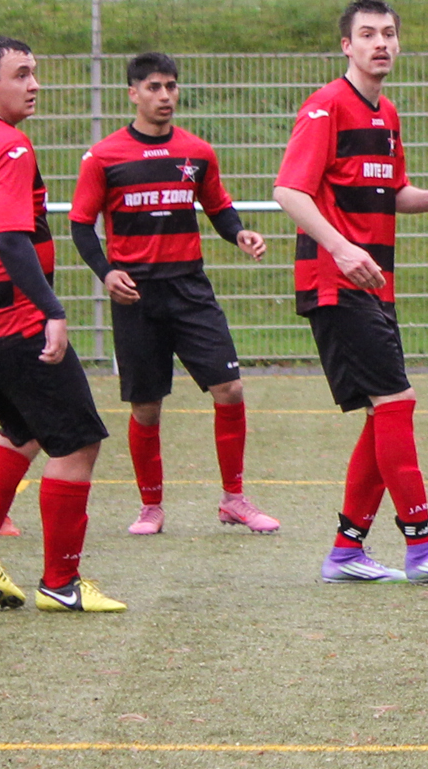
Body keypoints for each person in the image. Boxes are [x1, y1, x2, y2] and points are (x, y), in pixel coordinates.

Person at [275, 0, 428, 586]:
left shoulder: (386, 113)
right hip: (334, 281)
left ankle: (346, 551)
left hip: (373, 283)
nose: (381, 43)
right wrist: (342, 250)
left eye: (389, 33)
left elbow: (392, 191)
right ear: (346, 45)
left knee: (383, 415)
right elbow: (289, 191)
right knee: (397, 402)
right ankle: (422, 545)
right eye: (368, 34)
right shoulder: (325, 107)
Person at [0, 36, 124, 613]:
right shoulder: (8, 146)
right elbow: (11, 240)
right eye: (21, 74)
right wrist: (51, 311)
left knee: (19, 429)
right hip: (12, 319)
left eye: (34, 72)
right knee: (78, 441)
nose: (34, 84)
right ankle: (62, 582)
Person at [69, 52, 277, 538]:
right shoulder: (104, 157)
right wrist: (106, 273)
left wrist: (239, 233)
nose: (165, 96)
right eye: (154, 87)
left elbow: (218, 207)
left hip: (190, 290)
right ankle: (151, 507)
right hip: (136, 298)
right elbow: (80, 225)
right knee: (147, 407)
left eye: (171, 86)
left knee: (230, 389)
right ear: (133, 94)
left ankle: (234, 500)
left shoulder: (197, 152)